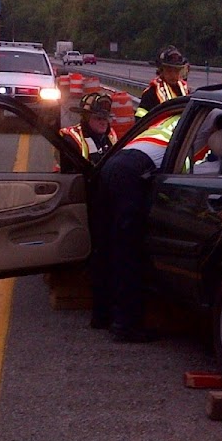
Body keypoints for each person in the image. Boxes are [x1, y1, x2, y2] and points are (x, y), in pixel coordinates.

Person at [93, 112, 183, 342]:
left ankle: (101, 314)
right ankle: (126, 325)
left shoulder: (173, 118)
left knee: (107, 245)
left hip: (115, 164)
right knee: (129, 250)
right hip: (135, 171)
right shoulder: (209, 121)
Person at [60, 92, 118, 164]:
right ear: (86, 118)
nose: (103, 122)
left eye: (105, 118)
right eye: (98, 118)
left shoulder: (110, 136)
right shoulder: (72, 139)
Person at [136, 45, 190, 118]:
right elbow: (141, 122)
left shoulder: (185, 91)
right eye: (169, 71)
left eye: (177, 71)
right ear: (161, 70)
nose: (174, 75)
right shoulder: (151, 94)